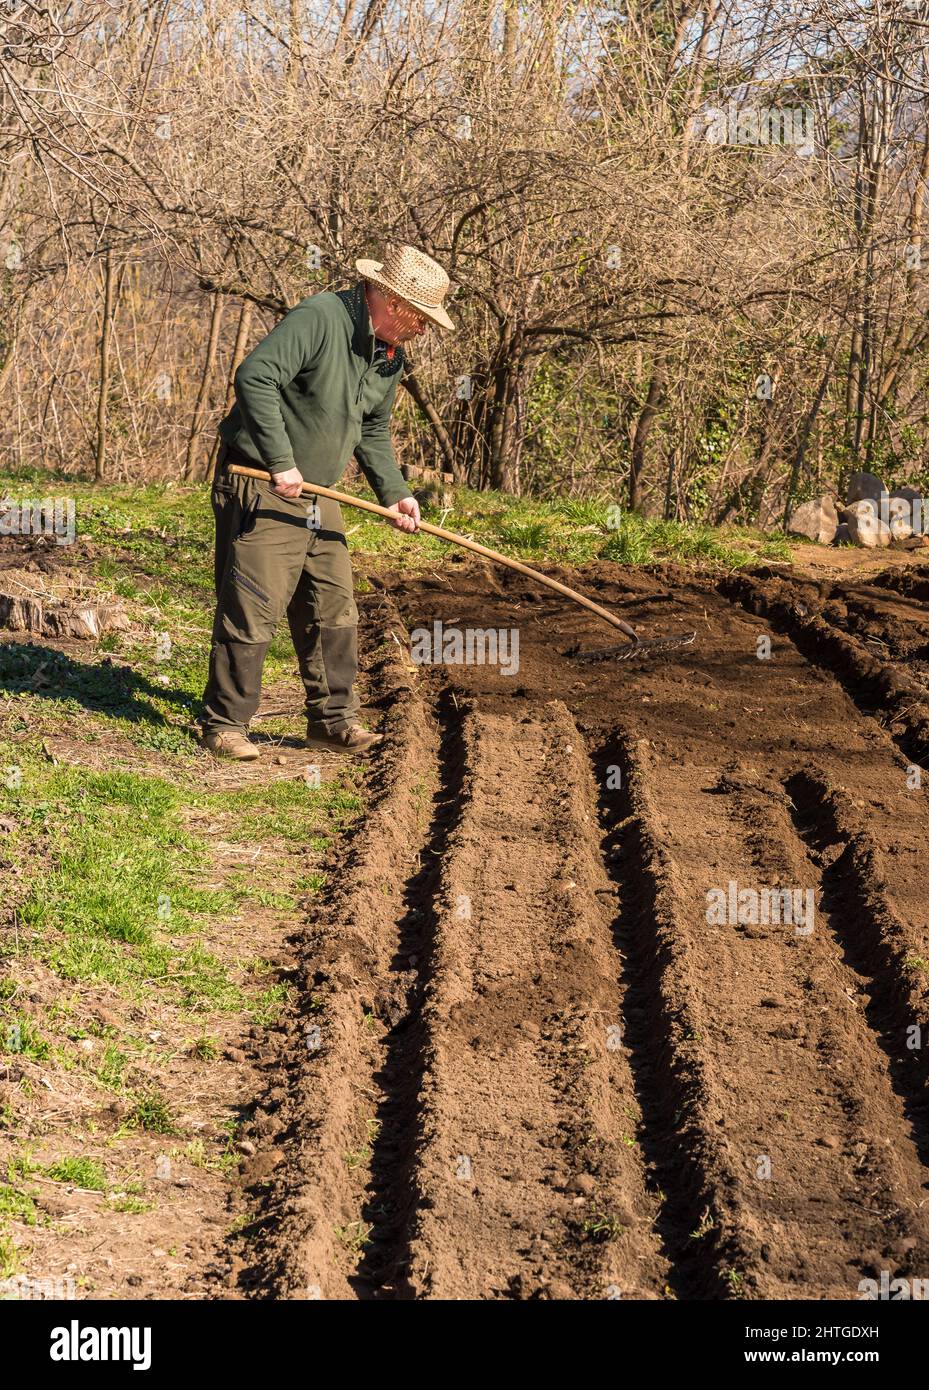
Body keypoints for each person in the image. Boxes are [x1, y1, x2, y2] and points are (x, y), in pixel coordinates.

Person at [199, 245, 454, 761]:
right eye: (420, 318)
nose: (423, 331)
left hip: (319, 495)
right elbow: (255, 377)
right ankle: (224, 724)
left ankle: (333, 723)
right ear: (389, 298)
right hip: (264, 483)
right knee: (253, 604)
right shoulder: (320, 317)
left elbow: (373, 429)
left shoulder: (387, 357)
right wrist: (280, 459)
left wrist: (397, 493)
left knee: (333, 606)